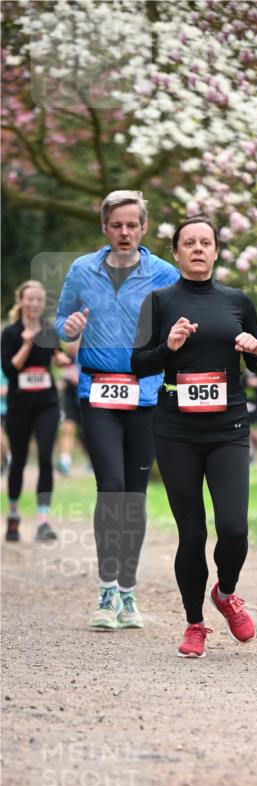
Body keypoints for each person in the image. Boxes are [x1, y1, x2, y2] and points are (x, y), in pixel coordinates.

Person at [131, 216, 257, 658]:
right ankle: (194, 623)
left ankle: (225, 593)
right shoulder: (158, 301)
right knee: (191, 533)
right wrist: (167, 348)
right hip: (176, 430)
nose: (197, 249)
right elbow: (138, 364)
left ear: (215, 251)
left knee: (234, 528)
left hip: (228, 427)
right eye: (188, 242)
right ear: (175, 253)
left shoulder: (238, 300)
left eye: (204, 242)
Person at [55, 190, 179, 629]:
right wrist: (66, 328)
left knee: (135, 496)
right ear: (104, 228)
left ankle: (128, 592)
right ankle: (106, 590)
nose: (124, 232)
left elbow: (178, 330)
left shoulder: (165, 274)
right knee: (110, 489)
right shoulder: (81, 269)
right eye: (116, 225)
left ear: (144, 228)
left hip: (145, 396)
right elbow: (59, 321)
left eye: (132, 225)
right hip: (98, 394)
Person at [1, 280, 71, 542]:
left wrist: (60, 359)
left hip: (47, 404)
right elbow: (9, 370)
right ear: (21, 301)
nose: (34, 304)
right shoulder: (10, 333)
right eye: (29, 299)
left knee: (44, 457)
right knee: (18, 461)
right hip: (19, 406)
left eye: (39, 300)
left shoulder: (48, 329)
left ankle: (42, 520)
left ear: (43, 303)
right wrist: (27, 344)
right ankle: (14, 516)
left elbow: (57, 355)